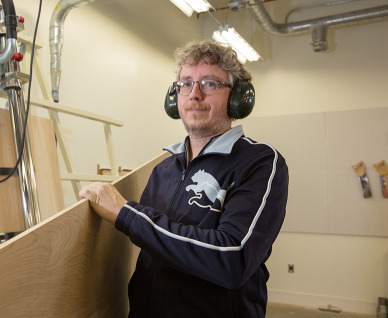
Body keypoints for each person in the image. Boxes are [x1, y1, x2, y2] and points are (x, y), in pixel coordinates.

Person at [79, 40, 288, 317]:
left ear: (238, 97)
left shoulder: (259, 162)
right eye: (185, 84)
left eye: (210, 83)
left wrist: (127, 214)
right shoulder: (163, 169)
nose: (195, 94)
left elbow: (233, 259)